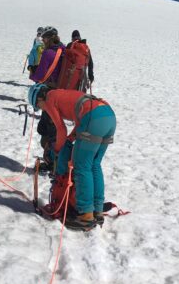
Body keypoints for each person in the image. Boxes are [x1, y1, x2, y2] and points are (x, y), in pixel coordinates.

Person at [28, 84, 116, 230]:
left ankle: (86, 215)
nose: (43, 109)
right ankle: (97, 210)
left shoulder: (50, 99)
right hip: (108, 115)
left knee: (82, 166)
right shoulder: (61, 92)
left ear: (40, 98)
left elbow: (61, 129)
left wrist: (56, 151)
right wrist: (70, 139)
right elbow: (80, 121)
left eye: (39, 106)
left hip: (93, 117)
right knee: (94, 164)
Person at [29, 27, 64, 171]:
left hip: (49, 95)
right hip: (63, 94)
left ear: (49, 38)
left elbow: (39, 76)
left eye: (44, 39)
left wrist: (32, 71)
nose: (42, 41)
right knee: (54, 128)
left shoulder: (48, 53)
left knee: (48, 130)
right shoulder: (64, 50)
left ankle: (52, 163)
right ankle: (54, 161)